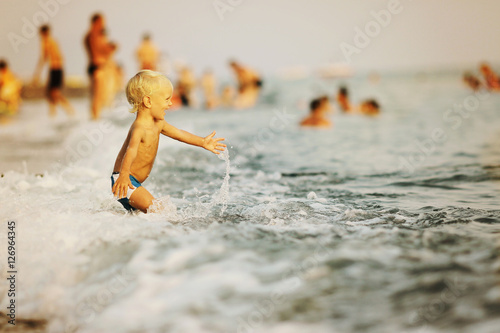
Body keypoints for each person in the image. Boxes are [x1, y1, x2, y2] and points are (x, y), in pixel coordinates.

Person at [111, 70, 226, 213]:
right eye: (166, 99)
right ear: (148, 101)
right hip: (124, 180)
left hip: (132, 181)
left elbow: (179, 133)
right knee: (159, 210)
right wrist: (123, 176)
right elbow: (131, 151)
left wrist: (202, 142)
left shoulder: (158, 123)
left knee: (145, 215)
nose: (170, 103)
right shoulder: (140, 127)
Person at [33, 25, 74, 118]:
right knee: (51, 94)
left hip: (55, 69)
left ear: (43, 33)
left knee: (54, 93)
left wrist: (37, 74)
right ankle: (54, 115)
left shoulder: (47, 42)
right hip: (56, 69)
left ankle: (68, 112)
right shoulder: (53, 41)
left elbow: (44, 58)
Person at [84, 13, 117, 120]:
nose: (103, 24)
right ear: (97, 22)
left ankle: (95, 117)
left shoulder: (89, 35)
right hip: (98, 66)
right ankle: (95, 118)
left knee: (96, 95)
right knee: (98, 95)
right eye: (102, 22)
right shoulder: (94, 35)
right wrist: (111, 48)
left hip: (94, 66)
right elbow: (100, 51)